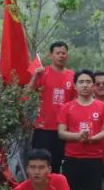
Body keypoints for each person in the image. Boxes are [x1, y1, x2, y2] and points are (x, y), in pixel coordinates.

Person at [57, 69, 104, 190]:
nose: (85, 85)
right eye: (81, 82)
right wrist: (78, 136)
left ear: (93, 85)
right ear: (75, 86)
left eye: (88, 82)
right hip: (72, 159)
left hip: (94, 159)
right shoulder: (66, 107)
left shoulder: (103, 107)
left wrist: (92, 139)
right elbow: (61, 133)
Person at [27, 41, 75, 173]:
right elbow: (27, 94)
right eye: (58, 53)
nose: (61, 55)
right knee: (40, 164)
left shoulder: (72, 76)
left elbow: (76, 102)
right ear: (51, 55)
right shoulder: (43, 73)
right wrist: (35, 76)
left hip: (63, 129)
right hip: (43, 128)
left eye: (63, 53)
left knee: (56, 165)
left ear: (67, 55)